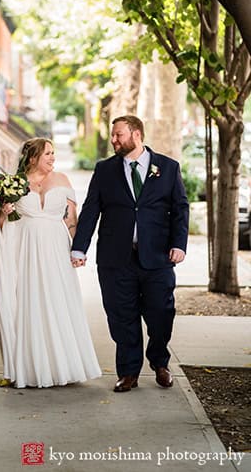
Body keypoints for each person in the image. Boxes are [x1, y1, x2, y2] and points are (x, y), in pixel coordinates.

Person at [72, 115, 189, 393]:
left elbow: (180, 208)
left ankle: (160, 362)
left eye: (119, 135)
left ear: (136, 135)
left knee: (161, 312)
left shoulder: (168, 168)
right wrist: (79, 247)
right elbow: (91, 210)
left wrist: (179, 244)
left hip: (158, 257)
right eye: (113, 135)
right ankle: (128, 372)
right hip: (115, 258)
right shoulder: (104, 170)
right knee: (121, 316)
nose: (114, 140)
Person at [0, 137, 101, 388]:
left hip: (56, 250)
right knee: (30, 302)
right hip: (26, 250)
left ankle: (64, 364)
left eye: (53, 153)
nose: (52, 158)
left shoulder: (62, 180)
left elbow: (71, 220)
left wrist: (78, 249)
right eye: (47, 153)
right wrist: (2, 214)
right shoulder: (14, 184)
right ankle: (30, 368)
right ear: (33, 157)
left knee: (59, 300)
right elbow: (5, 223)